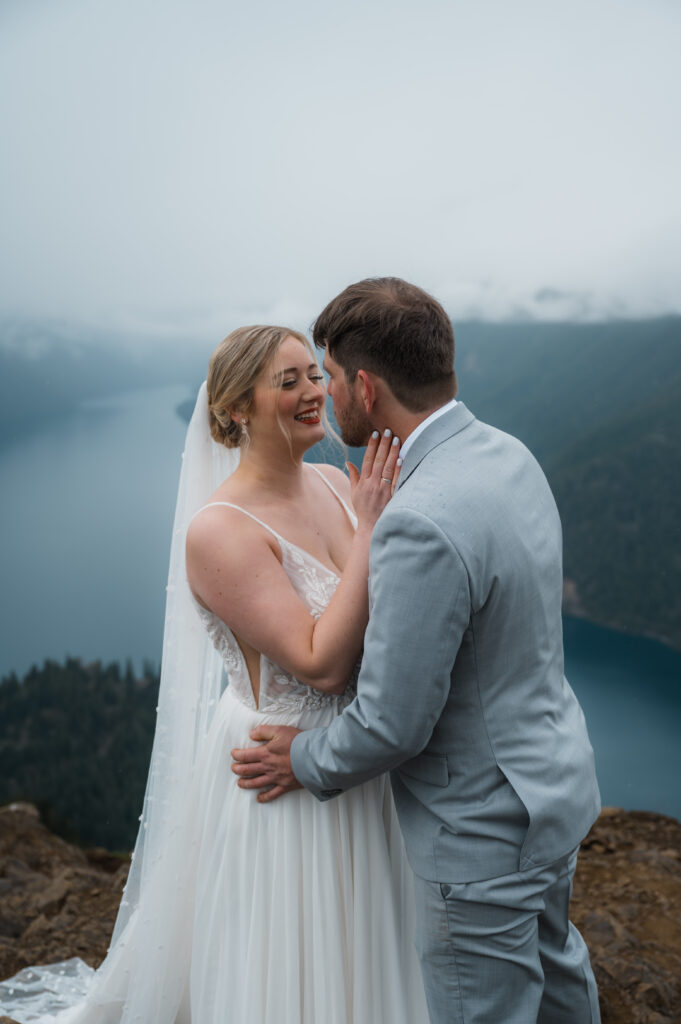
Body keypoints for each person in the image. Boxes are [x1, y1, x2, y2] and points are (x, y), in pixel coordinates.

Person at [0, 325, 427, 1023]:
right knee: (299, 961)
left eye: (314, 376)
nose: (312, 392)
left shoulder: (332, 483)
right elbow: (320, 663)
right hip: (281, 771)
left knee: (374, 949)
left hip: (358, 761)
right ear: (235, 410)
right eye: (286, 383)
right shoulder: (219, 531)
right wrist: (376, 528)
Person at [232, 279, 603, 1024]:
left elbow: (393, 722)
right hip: (554, 791)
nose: (324, 392)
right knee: (562, 987)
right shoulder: (508, 454)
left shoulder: (418, 519)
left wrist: (299, 759)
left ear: (364, 388)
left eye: (329, 376)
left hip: (480, 838)